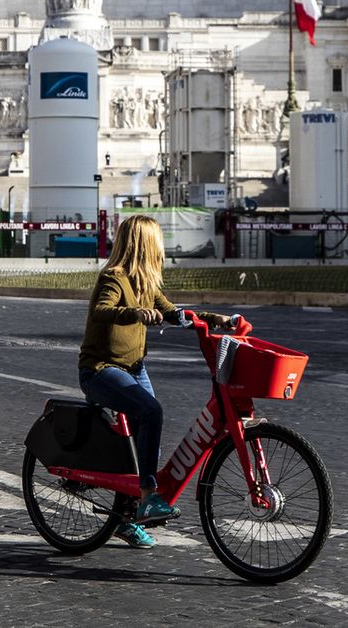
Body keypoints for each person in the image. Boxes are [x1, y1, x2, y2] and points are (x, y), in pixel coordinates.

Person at [77, 214, 237, 550]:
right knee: (151, 412)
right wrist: (133, 313)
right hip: (100, 368)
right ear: (145, 246)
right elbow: (101, 310)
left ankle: (125, 518)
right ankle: (149, 496)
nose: (160, 252)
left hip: (134, 368)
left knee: (142, 441)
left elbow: (173, 312)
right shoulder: (114, 278)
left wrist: (214, 319)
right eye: (157, 245)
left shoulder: (147, 285)